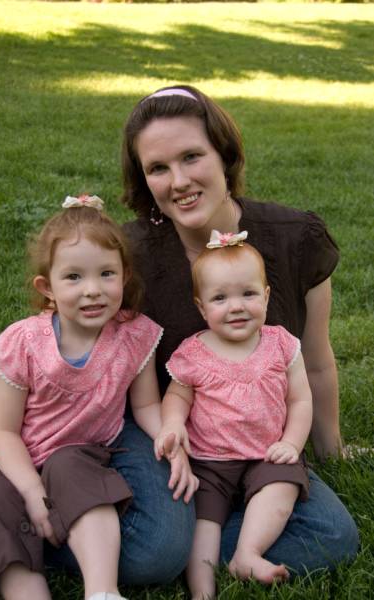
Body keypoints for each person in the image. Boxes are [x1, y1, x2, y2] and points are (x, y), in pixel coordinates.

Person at [120, 84, 359, 574]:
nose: (179, 181)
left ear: (224, 154)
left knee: (333, 535)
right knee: (157, 550)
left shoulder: (296, 239)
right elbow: (61, 343)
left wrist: (329, 449)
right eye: (158, 168)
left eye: (192, 157)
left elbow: (315, 361)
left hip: (259, 443)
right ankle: (158, 541)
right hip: (168, 437)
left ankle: (196, 546)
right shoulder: (128, 257)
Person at [0, 195, 198, 600]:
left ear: (124, 276)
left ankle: (102, 591)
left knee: (81, 482)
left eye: (106, 274)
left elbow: (145, 405)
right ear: (48, 288)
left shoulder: (134, 336)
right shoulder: (24, 343)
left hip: (80, 454)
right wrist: (31, 490)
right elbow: (3, 433)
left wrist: (168, 434)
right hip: (15, 460)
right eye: (74, 277)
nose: (93, 290)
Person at [154, 232, 312, 598]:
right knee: (204, 521)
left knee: (283, 484)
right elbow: (177, 395)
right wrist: (173, 422)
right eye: (220, 298)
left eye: (248, 294)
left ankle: (247, 553)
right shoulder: (193, 353)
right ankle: (202, 590)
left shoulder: (281, 344)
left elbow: (301, 400)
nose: (236, 307)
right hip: (210, 460)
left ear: (266, 297)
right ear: (201, 307)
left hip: (268, 452)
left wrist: (291, 443)